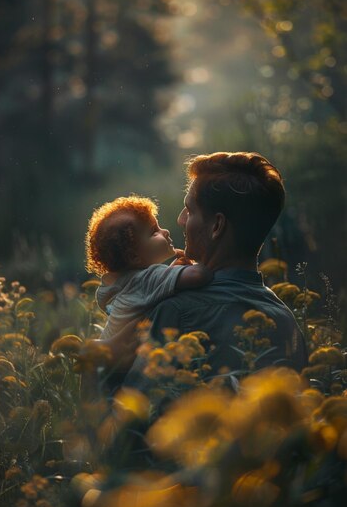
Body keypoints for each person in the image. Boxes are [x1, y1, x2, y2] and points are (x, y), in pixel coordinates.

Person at [125, 152, 307, 388]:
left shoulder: (176, 312)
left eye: (190, 210)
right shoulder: (286, 322)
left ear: (217, 226)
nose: (181, 220)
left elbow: (131, 417)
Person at [85, 195, 212, 342]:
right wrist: (204, 256)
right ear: (133, 256)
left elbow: (151, 289)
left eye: (159, 226)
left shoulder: (124, 283)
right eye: (153, 232)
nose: (165, 231)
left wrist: (171, 271)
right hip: (126, 362)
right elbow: (199, 275)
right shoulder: (144, 280)